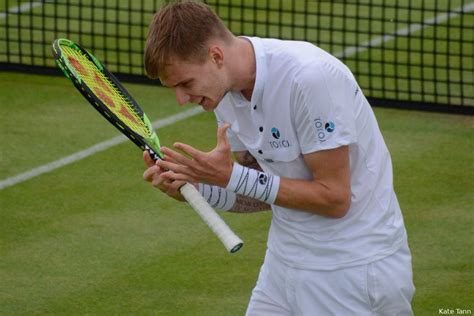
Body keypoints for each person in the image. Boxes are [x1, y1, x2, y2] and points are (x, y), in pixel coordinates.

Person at [142, 0, 415, 314]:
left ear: (216, 56)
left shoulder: (310, 79)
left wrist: (230, 176)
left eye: (185, 83)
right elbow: (264, 193)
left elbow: (335, 199)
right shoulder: (222, 94)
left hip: (353, 271)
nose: (181, 99)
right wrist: (194, 189)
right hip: (283, 267)